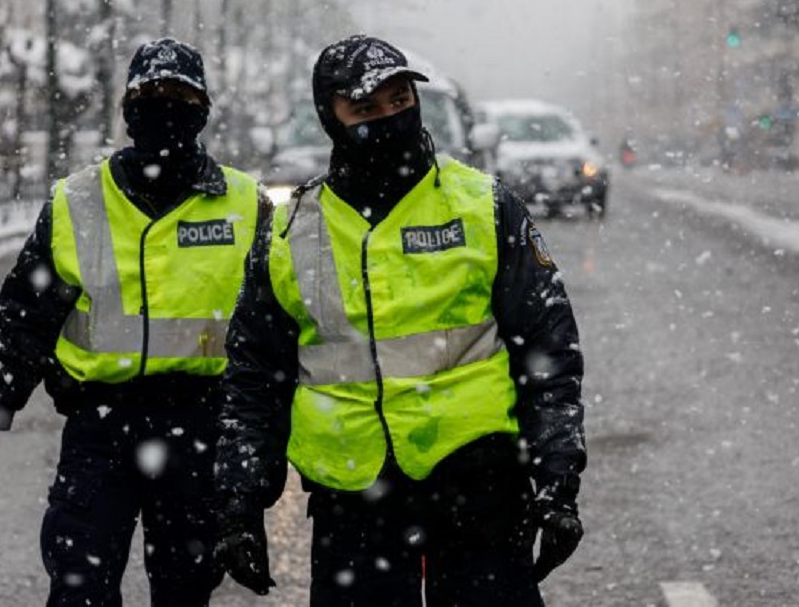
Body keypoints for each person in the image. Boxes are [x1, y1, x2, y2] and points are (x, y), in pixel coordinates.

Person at [213, 34, 587, 606]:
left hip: (479, 483)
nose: (388, 118)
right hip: (353, 494)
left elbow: (547, 345)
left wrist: (558, 478)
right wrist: (239, 504)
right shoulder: (293, 230)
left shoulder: (482, 204)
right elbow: (255, 374)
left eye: (399, 101)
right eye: (364, 109)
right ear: (330, 118)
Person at [0, 38, 268, 606]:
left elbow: (275, 334)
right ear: (126, 108)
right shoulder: (78, 201)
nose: (164, 107)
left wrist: (259, 452)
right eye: (150, 94)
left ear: (203, 109)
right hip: (101, 429)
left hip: (199, 429)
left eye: (180, 95)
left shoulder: (245, 205)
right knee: (79, 586)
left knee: (186, 591)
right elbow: (26, 322)